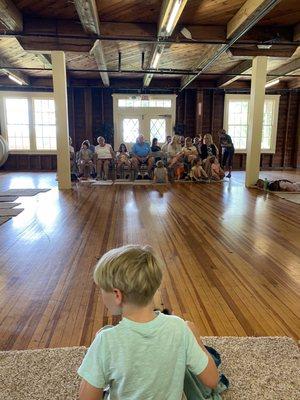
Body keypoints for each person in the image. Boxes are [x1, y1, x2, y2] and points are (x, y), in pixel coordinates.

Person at [77, 245, 219, 400]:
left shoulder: (105, 341)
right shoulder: (178, 327)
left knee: (104, 332)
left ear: (117, 294)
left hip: (109, 342)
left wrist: (96, 352)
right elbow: (212, 380)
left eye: (102, 289)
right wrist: (196, 339)